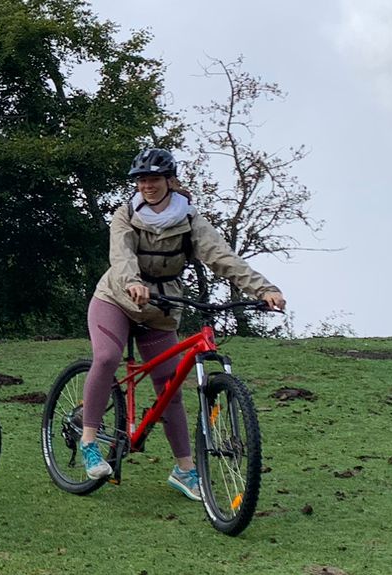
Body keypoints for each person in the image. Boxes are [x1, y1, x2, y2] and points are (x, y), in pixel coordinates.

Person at [76, 147, 285, 494]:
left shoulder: (189, 221)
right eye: (142, 180)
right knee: (107, 358)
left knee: (169, 384)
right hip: (115, 298)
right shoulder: (125, 214)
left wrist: (264, 289)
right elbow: (121, 254)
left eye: (154, 179)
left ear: (170, 181)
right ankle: (88, 441)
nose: (147, 185)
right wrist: (132, 282)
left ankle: (185, 470)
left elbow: (221, 257)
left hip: (161, 307)